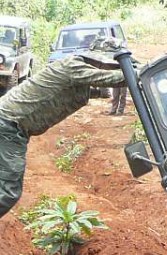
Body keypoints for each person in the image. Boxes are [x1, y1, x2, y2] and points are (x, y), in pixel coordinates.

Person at [0, 37, 129, 219]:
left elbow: (60, 91)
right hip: (8, 126)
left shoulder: (74, 70)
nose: (110, 68)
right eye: (110, 65)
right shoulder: (73, 66)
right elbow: (109, 78)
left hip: (10, 125)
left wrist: (94, 93)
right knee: (8, 191)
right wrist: (139, 73)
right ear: (100, 60)